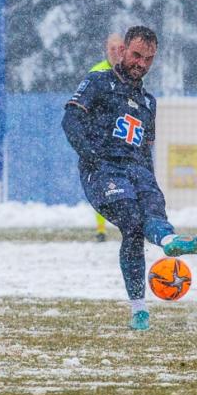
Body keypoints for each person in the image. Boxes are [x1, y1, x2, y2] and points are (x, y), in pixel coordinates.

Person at [62, 25, 197, 331]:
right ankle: (141, 299)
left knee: (152, 214)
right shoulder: (98, 82)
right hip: (104, 169)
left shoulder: (149, 103)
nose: (141, 64)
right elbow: (70, 119)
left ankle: (168, 250)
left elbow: (146, 149)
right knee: (131, 220)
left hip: (138, 170)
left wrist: (150, 181)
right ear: (123, 51)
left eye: (148, 59)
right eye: (136, 55)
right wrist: (91, 156)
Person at [90, 33, 125, 241]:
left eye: (119, 48)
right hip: (102, 139)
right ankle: (101, 229)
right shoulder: (97, 72)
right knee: (103, 184)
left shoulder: (131, 73)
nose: (115, 51)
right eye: (111, 48)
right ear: (106, 49)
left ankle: (129, 226)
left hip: (124, 140)